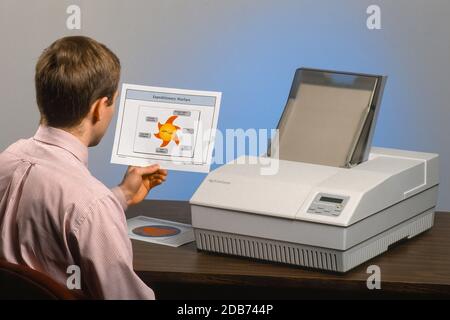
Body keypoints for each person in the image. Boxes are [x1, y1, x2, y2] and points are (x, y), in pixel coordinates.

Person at [0, 36, 168, 299]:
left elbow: (63, 211)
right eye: (113, 101)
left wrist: (122, 194)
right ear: (99, 108)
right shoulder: (92, 204)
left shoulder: (7, 160)